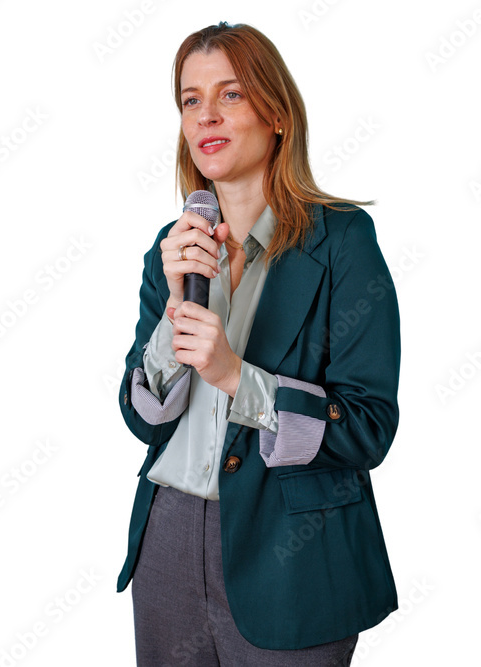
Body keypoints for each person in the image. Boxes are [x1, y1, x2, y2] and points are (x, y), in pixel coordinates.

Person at [116, 21, 401, 666]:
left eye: (231, 94)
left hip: (293, 554)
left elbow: (369, 428)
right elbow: (142, 419)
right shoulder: (174, 247)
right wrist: (171, 317)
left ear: (276, 114)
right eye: (191, 99)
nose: (206, 116)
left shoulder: (343, 242)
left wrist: (235, 377)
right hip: (167, 541)